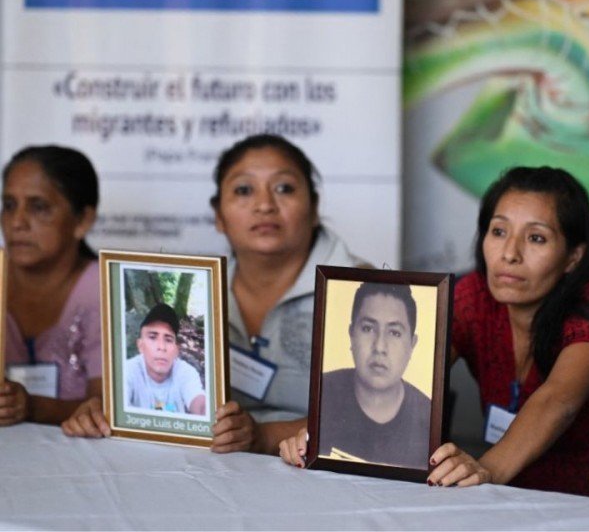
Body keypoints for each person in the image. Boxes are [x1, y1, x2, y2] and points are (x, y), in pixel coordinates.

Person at [280, 166, 589, 496]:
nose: (510, 254)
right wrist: (316, 436)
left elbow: (558, 400)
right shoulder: (475, 296)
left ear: (574, 257)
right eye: (498, 232)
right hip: (508, 499)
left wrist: (487, 470)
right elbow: (398, 375)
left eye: (536, 238)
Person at [62, 134, 365, 453]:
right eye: (244, 190)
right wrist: (112, 412)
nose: (265, 205)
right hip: (220, 469)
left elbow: (374, 417)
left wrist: (262, 436)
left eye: (284, 188)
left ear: (314, 208)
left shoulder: (360, 290)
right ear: (218, 216)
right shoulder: (203, 290)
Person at [0, 145, 101, 426]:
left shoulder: (103, 291)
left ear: (82, 221)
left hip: (80, 452)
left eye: (38, 207)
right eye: (9, 205)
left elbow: (109, 407)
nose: (17, 222)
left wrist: (32, 407)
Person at [318, 282, 431, 468]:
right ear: (351, 334)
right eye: (368, 329)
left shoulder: (428, 416)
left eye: (394, 333)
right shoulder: (322, 392)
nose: (379, 347)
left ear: (412, 344)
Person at [125, 303, 205, 415]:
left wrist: (212, 415)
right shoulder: (127, 371)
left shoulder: (186, 372)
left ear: (176, 350)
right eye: (153, 337)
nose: (162, 347)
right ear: (140, 346)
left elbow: (199, 402)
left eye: (168, 339)